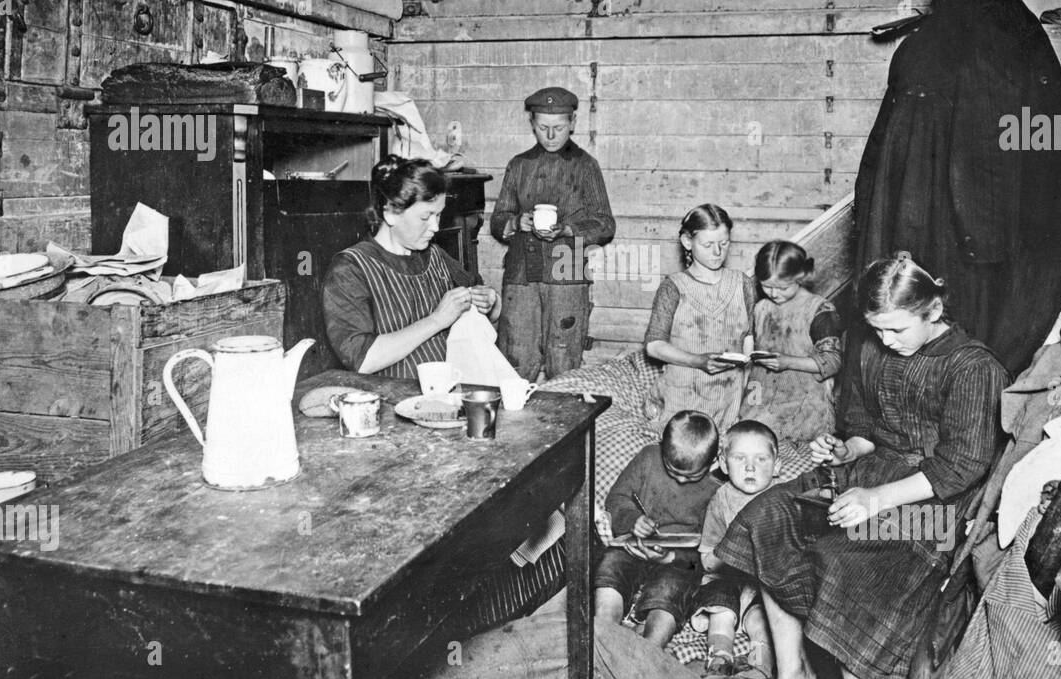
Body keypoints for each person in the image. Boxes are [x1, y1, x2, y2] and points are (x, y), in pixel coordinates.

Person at [715, 252, 1008, 679]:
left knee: (850, 558)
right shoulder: (873, 349)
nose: (886, 341)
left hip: (936, 506)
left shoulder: (973, 367)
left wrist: (877, 499)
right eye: (877, 329)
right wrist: (846, 449)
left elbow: (963, 465)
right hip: (870, 474)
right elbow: (866, 430)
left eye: (897, 328)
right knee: (767, 515)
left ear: (932, 310)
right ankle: (793, 675)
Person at [322, 157, 499, 378]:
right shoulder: (350, 269)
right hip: (388, 398)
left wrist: (491, 300)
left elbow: (486, 305)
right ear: (390, 213)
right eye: (425, 217)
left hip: (447, 392)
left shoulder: (434, 255)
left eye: (439, 215)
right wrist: (437, 320)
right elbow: (362, 359)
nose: (435, 227)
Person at [490, 86, 615, 381]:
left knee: (564, 356)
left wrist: (569, 229)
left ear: (573, 123)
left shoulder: (586, 166)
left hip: (567, 267)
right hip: (521, 271)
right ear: (532, 123)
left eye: (558, 128)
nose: (550, 136)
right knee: (516, 357)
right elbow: (498, 219)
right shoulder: (519, 165)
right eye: (543, 127)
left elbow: (605, 223)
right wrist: (515, 222)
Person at [595, 410, 721, 648]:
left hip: (677, 562)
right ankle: (604, 633)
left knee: (671, 590)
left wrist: (672, 557)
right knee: (609, 566)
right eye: (672, 470)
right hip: (632, 546)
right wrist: (633, 519)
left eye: (692, 476)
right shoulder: (648, 457)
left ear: (713, 462)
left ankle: (651, 648)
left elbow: (705, 553)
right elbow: (616, 497)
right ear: (661, 446)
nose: (681, 481)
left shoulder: (716, 491)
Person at [644, 204, 756, 433]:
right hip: (683, 393)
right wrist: (698, 361)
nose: (717, 252)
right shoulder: (673, 286)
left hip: (729, 396)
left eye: (724, 243)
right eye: (707, 245)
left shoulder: (742, 283)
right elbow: (654, 347)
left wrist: (745, 384)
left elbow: (748, 339)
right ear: (688, 242)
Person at [691, 419, 782, 679]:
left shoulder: (783, 497)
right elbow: (706, 556)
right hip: (726, 577)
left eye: (761, 459)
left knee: (763, 618)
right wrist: (732, 558)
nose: (750, 467)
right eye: (740, 458)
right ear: (723, 463)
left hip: (763, 585)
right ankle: (719, 658)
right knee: (721, 611)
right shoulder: (721, 500)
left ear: (777, 466)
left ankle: (760, 670)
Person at [741, 240, 844, 441]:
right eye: (766, 286)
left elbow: (833, 362)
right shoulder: (761, 308)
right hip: (761, 397)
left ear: (800, 276)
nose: (773, 293)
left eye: (782, 287)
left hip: (804, 405)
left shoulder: (819, 310)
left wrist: (787, 362)